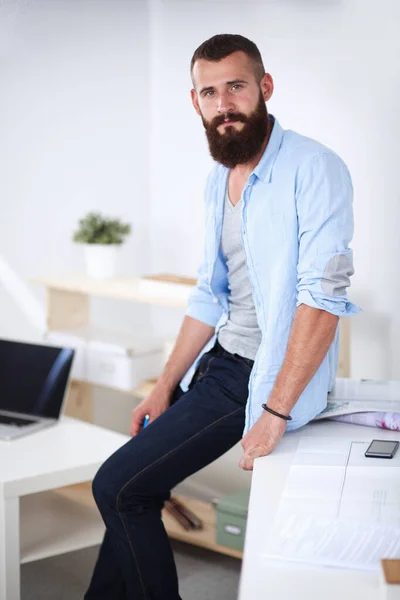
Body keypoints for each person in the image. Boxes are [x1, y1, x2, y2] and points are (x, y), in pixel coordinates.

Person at [84, 33, 360, 600]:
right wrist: (165, 386)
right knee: (135, 487)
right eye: (209, 92)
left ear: (265, 87)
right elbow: (209, 296)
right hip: (215, 365)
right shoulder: (219, 180)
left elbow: (324, 299)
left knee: (117, 487)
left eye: (235, 86)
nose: (224, 104)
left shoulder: (314, 167)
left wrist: (276, 409)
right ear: (196, 103)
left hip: (257, 377)